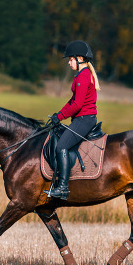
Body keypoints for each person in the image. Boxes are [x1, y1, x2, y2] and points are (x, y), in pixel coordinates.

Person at [47, 40, 101, 200]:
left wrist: (61, 116)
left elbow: (77, 105)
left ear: (80, 59)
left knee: (61, 146)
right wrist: (58, 114)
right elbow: (72, 101)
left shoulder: (83, 77)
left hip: (84, 120)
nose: (69, 63)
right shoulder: (82, 75)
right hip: (82, 119)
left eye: (71, 59)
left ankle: (63, 188)